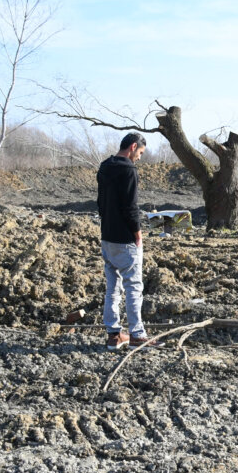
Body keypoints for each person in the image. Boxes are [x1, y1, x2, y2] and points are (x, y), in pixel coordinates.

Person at [97, 133, 154, 350]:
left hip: (108, 237)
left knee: (113, 285)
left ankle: (114, 335)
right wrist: (137, 233)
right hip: (125, 239)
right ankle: (137, 334)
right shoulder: (129, 170)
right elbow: (131, 207)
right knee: (133, 286)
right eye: (140, 153)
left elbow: (100, 203)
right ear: (132, 147)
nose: (139, 158)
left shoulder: (104, 167)